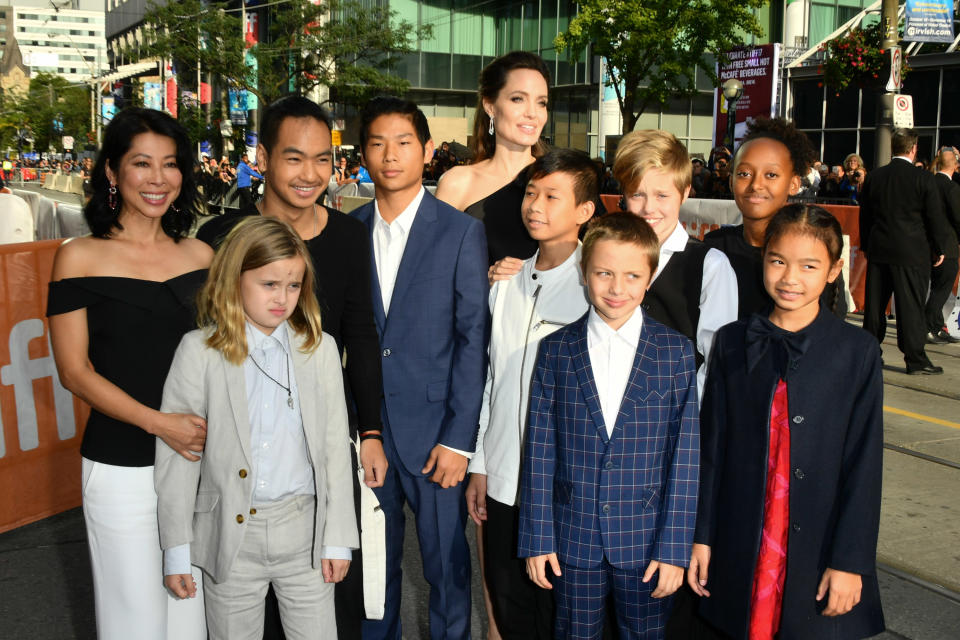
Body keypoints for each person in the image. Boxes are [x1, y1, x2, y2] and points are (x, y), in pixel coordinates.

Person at [196, 95, 386, 640]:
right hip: (242, 445)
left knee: (329, 592)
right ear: (262, 155)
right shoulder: (222, 236)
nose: (310, 174)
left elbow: (361, 334)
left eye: (323, 159)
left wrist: (369, 430)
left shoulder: (350, 235)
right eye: (294, 158)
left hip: (322, 441)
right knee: (243, 601)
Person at [47, 108, 211, 639]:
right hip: (122, 466)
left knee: (192, 623)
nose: (158, 178)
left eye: (170, 164)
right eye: (141, 164)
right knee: (134, 623)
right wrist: (159, 423)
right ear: (112, 173)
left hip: (197, 464)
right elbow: (74, 372)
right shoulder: (80, 257)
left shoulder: (201, 254)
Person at [156, 217, 358, 639]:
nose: (282, 298)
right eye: (269, 284)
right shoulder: (199, 351)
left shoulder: (318, 349)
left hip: (305, 531)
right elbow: (180, 459)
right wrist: (176, 550)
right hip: (231, 536)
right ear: (234, 279)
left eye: (293, 285)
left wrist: (337, 537)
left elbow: (335, 447)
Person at [690, 205, 886, 640]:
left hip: (818, 543)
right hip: (743, 534)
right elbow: (711, 449)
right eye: (778, 261)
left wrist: (850, 561)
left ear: (835, 270)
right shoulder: (733, 340)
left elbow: (864, 463)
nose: (789, 278)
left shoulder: (857, 352)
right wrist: (702, 536)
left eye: (809, 266)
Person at [519, 212, 699, 639]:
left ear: (650, 277)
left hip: (647, 540)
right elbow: (540, 450)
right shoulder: (556, 351)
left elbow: (685, 456)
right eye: (604, 273)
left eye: (632, 275)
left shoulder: (675, 352)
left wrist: (674, 549)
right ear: (584, 273)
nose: (617, 288)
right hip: (572, 538)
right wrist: (537, 538)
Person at [352, 97, 487, 640]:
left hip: (436, 438)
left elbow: (473, 338)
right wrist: (362, 427)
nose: (390, 155)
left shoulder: (459, 232)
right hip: (369, 434)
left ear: (427, 151)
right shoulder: (347, 230)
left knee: (446, 570)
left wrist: (459, 440)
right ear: (363, 153)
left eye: (404, 142)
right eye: (378, 143)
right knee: (373, 570)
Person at [466, 149, 597, 639]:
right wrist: (481, 461)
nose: (535, 205)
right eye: (530, 192)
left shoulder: (595, 284)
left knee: (561, 612)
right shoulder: (508, 279)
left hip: (566, 487)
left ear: (585, 211)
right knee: (510, 602)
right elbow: (493, 378)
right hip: (502, 479)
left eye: (551, 196)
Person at [613, 129, 738, 398]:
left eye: (662, 196)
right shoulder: (606, 255)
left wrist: (685, 423)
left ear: (684, 193)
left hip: (675, 421)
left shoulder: (710, 266)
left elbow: (716, 362)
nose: (648, 208)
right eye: (637, 195)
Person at [703, 116, 848, 320]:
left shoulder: (813, 251)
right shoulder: (713, 247)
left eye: (771, 175)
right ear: (731, 181)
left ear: (794, 184)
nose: (756, 185)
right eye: (744, 173)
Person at [437, 51, 551, 266]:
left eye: (541, 103)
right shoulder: (458, 184)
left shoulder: (560, 178)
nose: (532, 113)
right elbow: (436, 271)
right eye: (518, 99)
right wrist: (484, 281)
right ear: (490, 106)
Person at [860, 128, 950, 374]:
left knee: (875, 306)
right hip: (912, 252)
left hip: (879, 250)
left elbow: (865, 215)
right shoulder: (922, 178)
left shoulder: (875, 177)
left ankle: (868, 354)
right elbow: (934, 217)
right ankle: (915, 359)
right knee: (910, 306)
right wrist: (939, 247)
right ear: (913, 149)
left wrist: (867, 245)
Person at [925, 147, 960, 344]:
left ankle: (937, 326)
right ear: (955, 165)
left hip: (928, 244)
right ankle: (929, 326)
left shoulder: (928, 182)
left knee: (936, 287)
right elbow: (958, 218)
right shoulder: (951, 188)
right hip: (947, 244)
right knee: (941, 290)